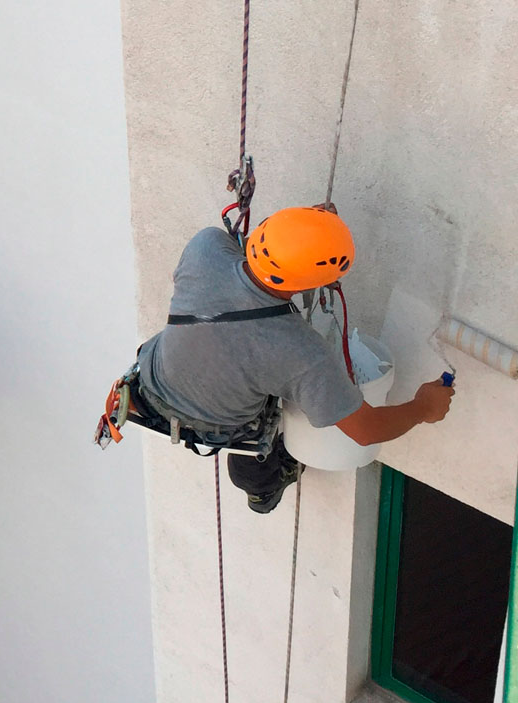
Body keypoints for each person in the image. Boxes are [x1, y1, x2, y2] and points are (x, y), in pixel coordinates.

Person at [134, 205, 454, 513]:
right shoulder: (301, 353)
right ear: (312, 284)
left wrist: (304, 230)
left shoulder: (205, 248)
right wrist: (424, 407)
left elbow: (204, 271)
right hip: (219, 420)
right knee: (257, 429)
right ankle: (261, 490)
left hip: (153, 378)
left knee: (239, 365)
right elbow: (365, 430)